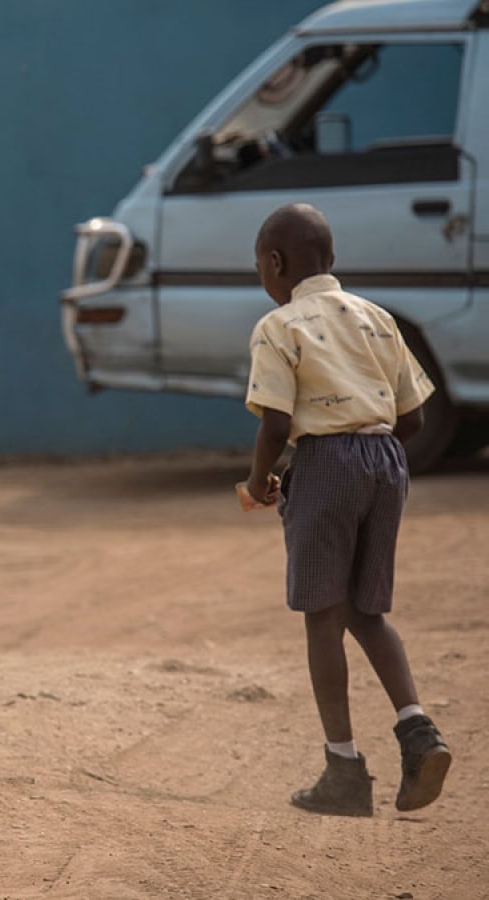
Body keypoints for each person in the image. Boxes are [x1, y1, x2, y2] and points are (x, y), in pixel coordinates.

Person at [242, 203, 452, 816]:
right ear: (330, 260)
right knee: (368, 610)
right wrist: (368, 454)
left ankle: (343, 768)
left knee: (321, 616)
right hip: (387, 461)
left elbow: (277, 422)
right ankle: (419, 734)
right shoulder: (378, 318)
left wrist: (261, 482)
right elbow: (412, 416)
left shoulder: (279, 327)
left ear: (276, 263)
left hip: (327, 465)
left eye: (261, 267)